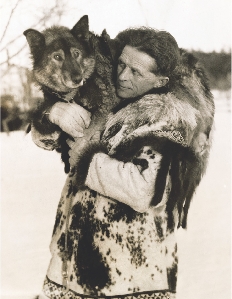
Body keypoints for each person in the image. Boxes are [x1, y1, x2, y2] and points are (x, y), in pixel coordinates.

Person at [33, 27, 214, 299]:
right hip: (76, 264)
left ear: (160, 81)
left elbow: (143, 191)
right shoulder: (109, 101)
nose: (122, 76)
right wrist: (52, 113)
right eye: (121, 64)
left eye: (136, 72)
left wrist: (85, 159)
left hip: (128, 275)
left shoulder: (170, 121)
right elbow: (47, 141)